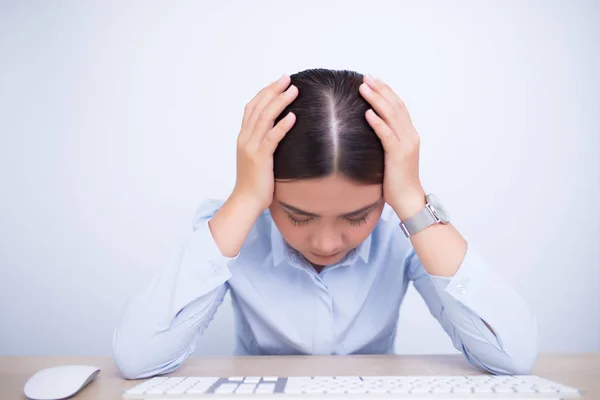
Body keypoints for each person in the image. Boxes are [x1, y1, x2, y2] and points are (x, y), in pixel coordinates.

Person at [112, 68, 538, 380]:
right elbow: (138, 358)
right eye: (298, 216)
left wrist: (411, 199)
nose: (327, 242)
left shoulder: (401, 228)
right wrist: (244, 198)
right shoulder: (239, 224)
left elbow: (514, 357)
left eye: (357, 216)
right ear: (267, 192)